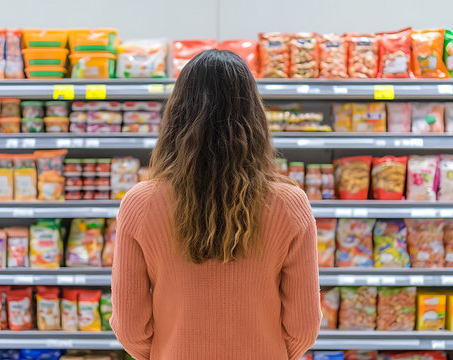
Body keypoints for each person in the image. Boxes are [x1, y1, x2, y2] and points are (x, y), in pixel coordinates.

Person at [110, 49, 321, 360]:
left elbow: (129, 328)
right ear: (254, 116)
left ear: (177, 114)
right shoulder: (290, 204)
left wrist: (168, 351)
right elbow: (303, 327)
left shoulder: (139, 203)